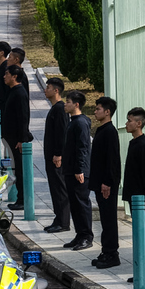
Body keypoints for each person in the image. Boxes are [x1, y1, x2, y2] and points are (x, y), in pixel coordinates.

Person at [121, 107, 145, 284]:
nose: (127, 124)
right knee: (139, 235)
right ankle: (141, 270)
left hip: (142, 200)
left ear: (139, 123)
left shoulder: (143, 145)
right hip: (134, 197)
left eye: (130, 120)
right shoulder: (133, 143)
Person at [89, 96, 121, 268]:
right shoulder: (101, 129)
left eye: (98, 109)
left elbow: (112, 160)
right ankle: (106, 250)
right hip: (100, 181)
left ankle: (112, 254)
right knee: (104, 218)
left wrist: (107, 182)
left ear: (107, 112)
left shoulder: (110, 131)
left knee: (109, 219)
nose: (95, 111)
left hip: (106, 184)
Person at [62, 90, 93, 250]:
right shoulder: (73, 121)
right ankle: (79, 234)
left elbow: (83, 147)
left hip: (78, 171)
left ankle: (87, 236)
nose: (65, 104)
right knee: (74, 204)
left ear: (76, 104)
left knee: (81, 203)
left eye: (68, 102)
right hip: (70, 169)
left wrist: (80, 168)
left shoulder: (80, 122)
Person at [1, 65, 33, 211]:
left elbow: (23, 117)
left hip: (17, 139)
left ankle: (22, 199)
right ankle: (20, 198)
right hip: (10, 137)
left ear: (14, 76)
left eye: (7, 74)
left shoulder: (20, 93)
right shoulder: (12, 91)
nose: (4, 76)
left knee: (19, 170)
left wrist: (22, 138)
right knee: (14, 169)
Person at [43, 77, 70, 233]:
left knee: (60, 188)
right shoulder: (55, 108)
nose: (46, 90)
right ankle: (58, 217)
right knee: (54, 187)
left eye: (48, 87)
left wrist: (58, 154)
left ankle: (63, 221)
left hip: (56, 157)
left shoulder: (60, 109)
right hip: (51, 156)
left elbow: (62, 133)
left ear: (56, 90)